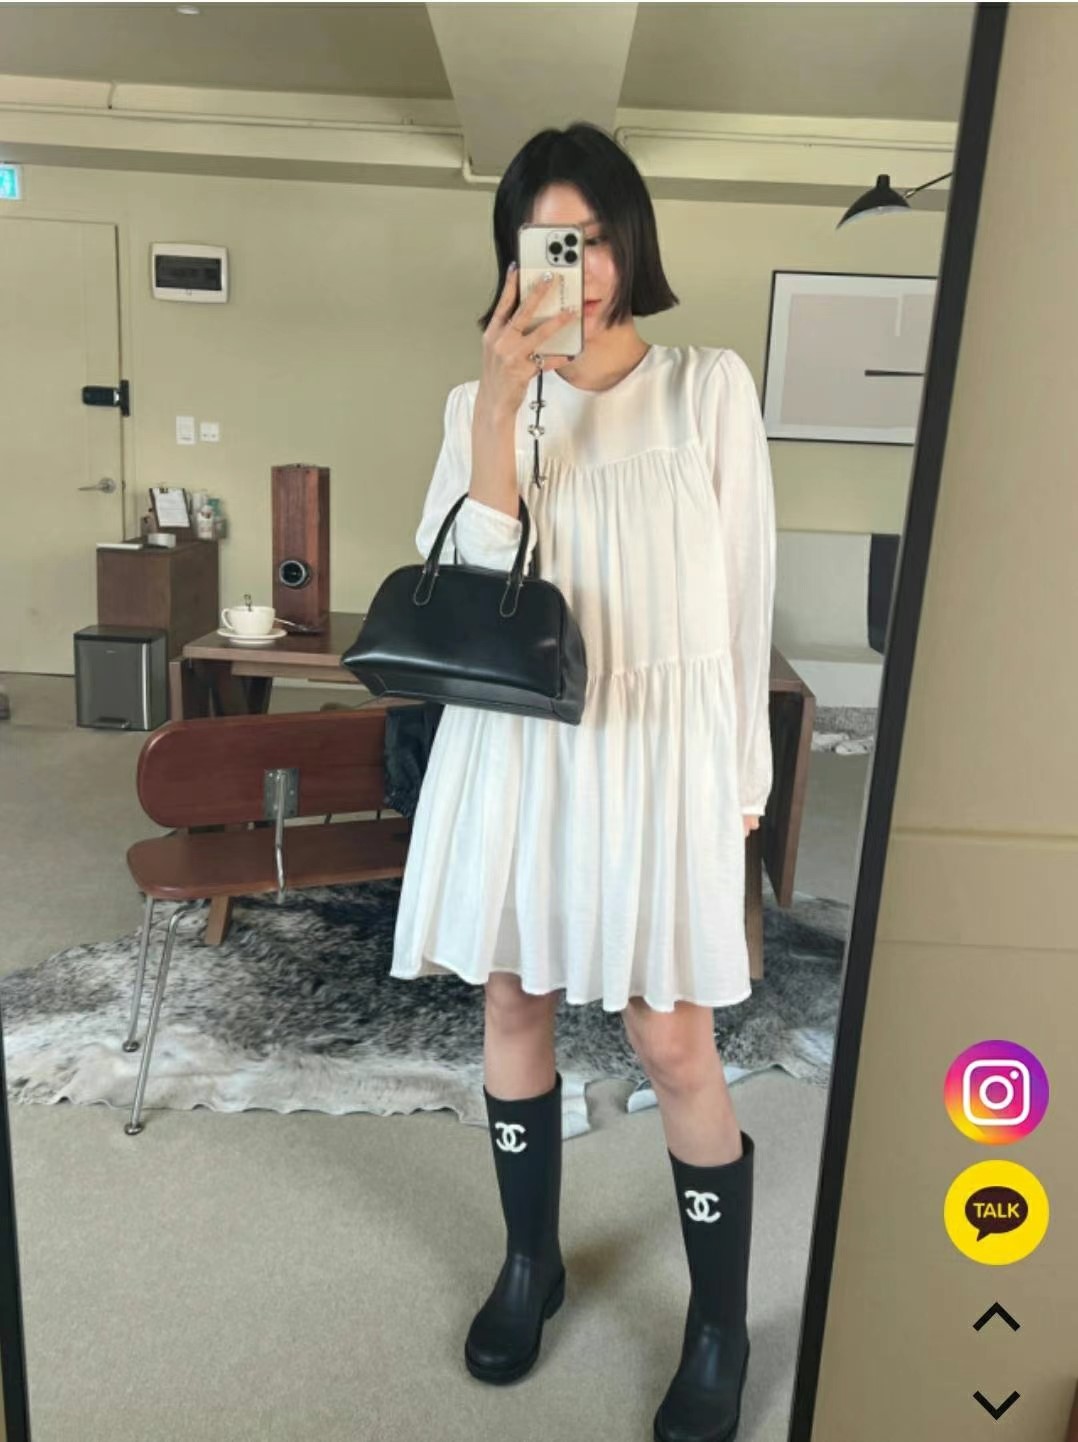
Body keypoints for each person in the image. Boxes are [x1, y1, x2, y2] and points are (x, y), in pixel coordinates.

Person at [391, 121, 776, 1442]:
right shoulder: (478, 407)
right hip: (523, 744)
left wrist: (741, 781)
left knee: (673, 1038)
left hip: (661, 751)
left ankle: (717, 1326)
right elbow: (464, 578)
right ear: (512, 258)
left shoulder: (706, 387)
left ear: (630, 241)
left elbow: (743, 598)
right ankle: (528, 1264)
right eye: (552, 243)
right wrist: (499, 404)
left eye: (597, 238)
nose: (582, 269)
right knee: (513, 1000)